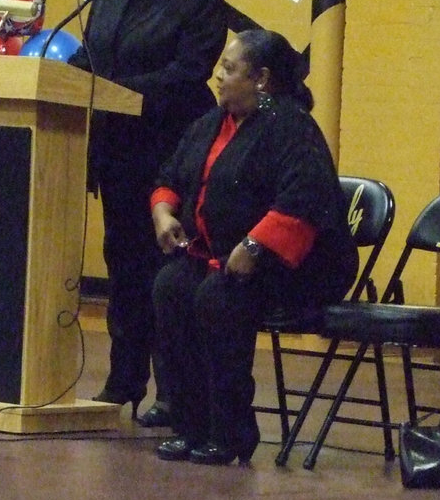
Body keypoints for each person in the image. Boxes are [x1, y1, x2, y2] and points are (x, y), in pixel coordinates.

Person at [150, 30, 358, 466]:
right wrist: (165, 214)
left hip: (292, 270)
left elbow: (304, 203)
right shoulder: (212, 122)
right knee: (170, 286)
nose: (218, 75)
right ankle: (190, 427)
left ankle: (230, 434)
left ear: (261, 79)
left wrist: (255, 246)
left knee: (218, 298)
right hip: (219, 259)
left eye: (229, 68)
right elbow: (171, 177)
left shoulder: (290, 126)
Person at [68, 0, 228, 425]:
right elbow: (90, 56)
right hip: (117, 153)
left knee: (167, 273)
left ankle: (174, 392)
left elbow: (189, 73)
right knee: (123, 267)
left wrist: (115, 91)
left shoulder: (201, 0)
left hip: (170, 153)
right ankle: (123, 380)